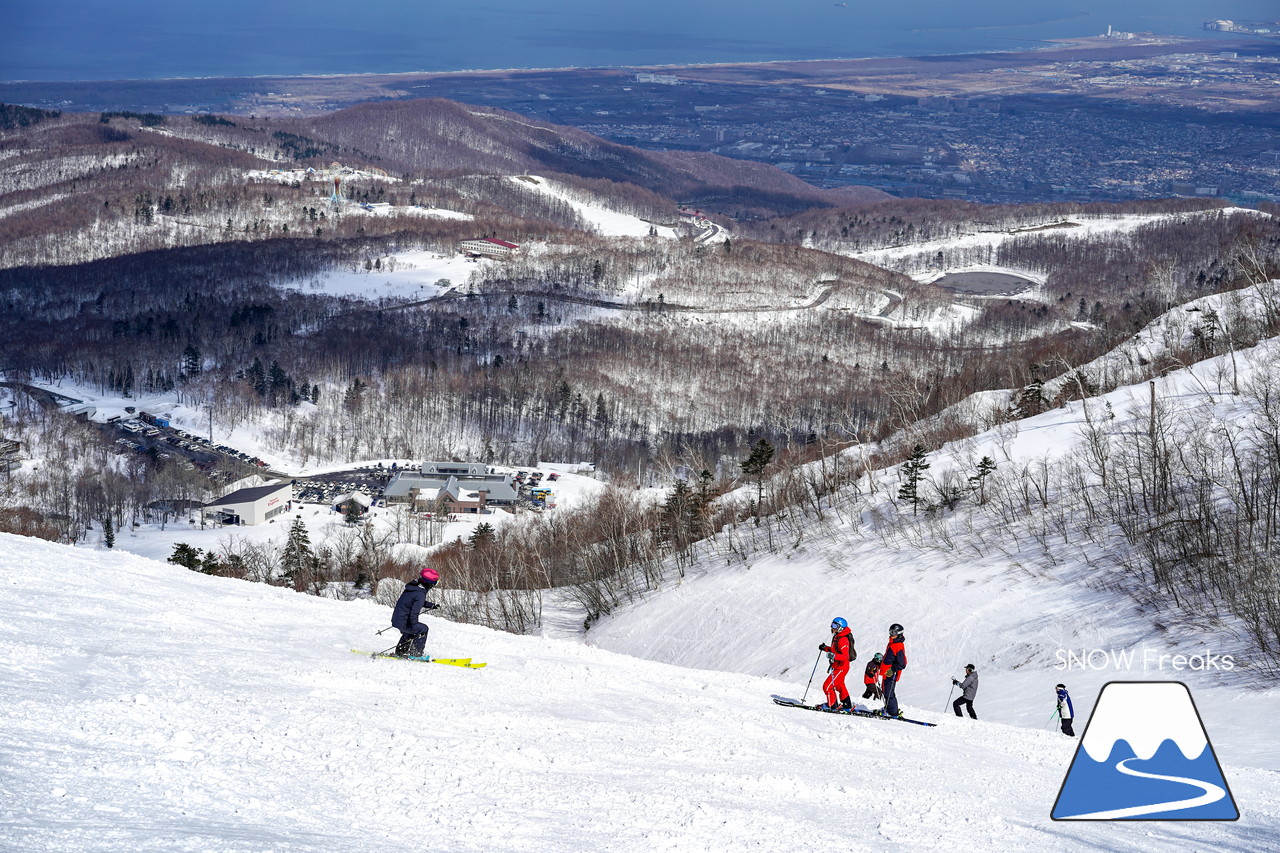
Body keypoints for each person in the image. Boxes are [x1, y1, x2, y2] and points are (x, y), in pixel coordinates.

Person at [391, 568, 440, 657]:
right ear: (429, 583)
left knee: (409, 631)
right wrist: (415, 626)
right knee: (423, 629)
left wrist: (431, 605)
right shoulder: (420, 594)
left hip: (397, 619)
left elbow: (414, 602)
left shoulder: (414, 588)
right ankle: (416, 653)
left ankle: (400, 652)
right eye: (435, 583)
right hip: (404, 621)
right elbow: (414, 613)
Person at [817, 617, 856, 711]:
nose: (832, 627)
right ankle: (847, 705)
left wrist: (833, 656)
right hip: (838, 666)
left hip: (841, 667)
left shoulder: (843, 639)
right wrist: (825, 648)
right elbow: (835, 650)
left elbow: (845, 656)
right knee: (840, 685)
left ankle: (832, 705)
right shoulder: (838, 636)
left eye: (835, 625)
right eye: (832, 624)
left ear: (840, 627)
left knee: (827, 687)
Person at [878, 623, 907, 718]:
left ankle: (893, 712)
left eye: (893, 632)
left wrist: (892, 669)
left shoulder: (898, 645)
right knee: (886, 691)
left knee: (889, 692)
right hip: (887, 672)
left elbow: (902, 663)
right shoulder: (892, 643)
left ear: (899, 633)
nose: (891, 634)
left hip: (891, 673)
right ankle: (888, 708)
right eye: (890, 631)